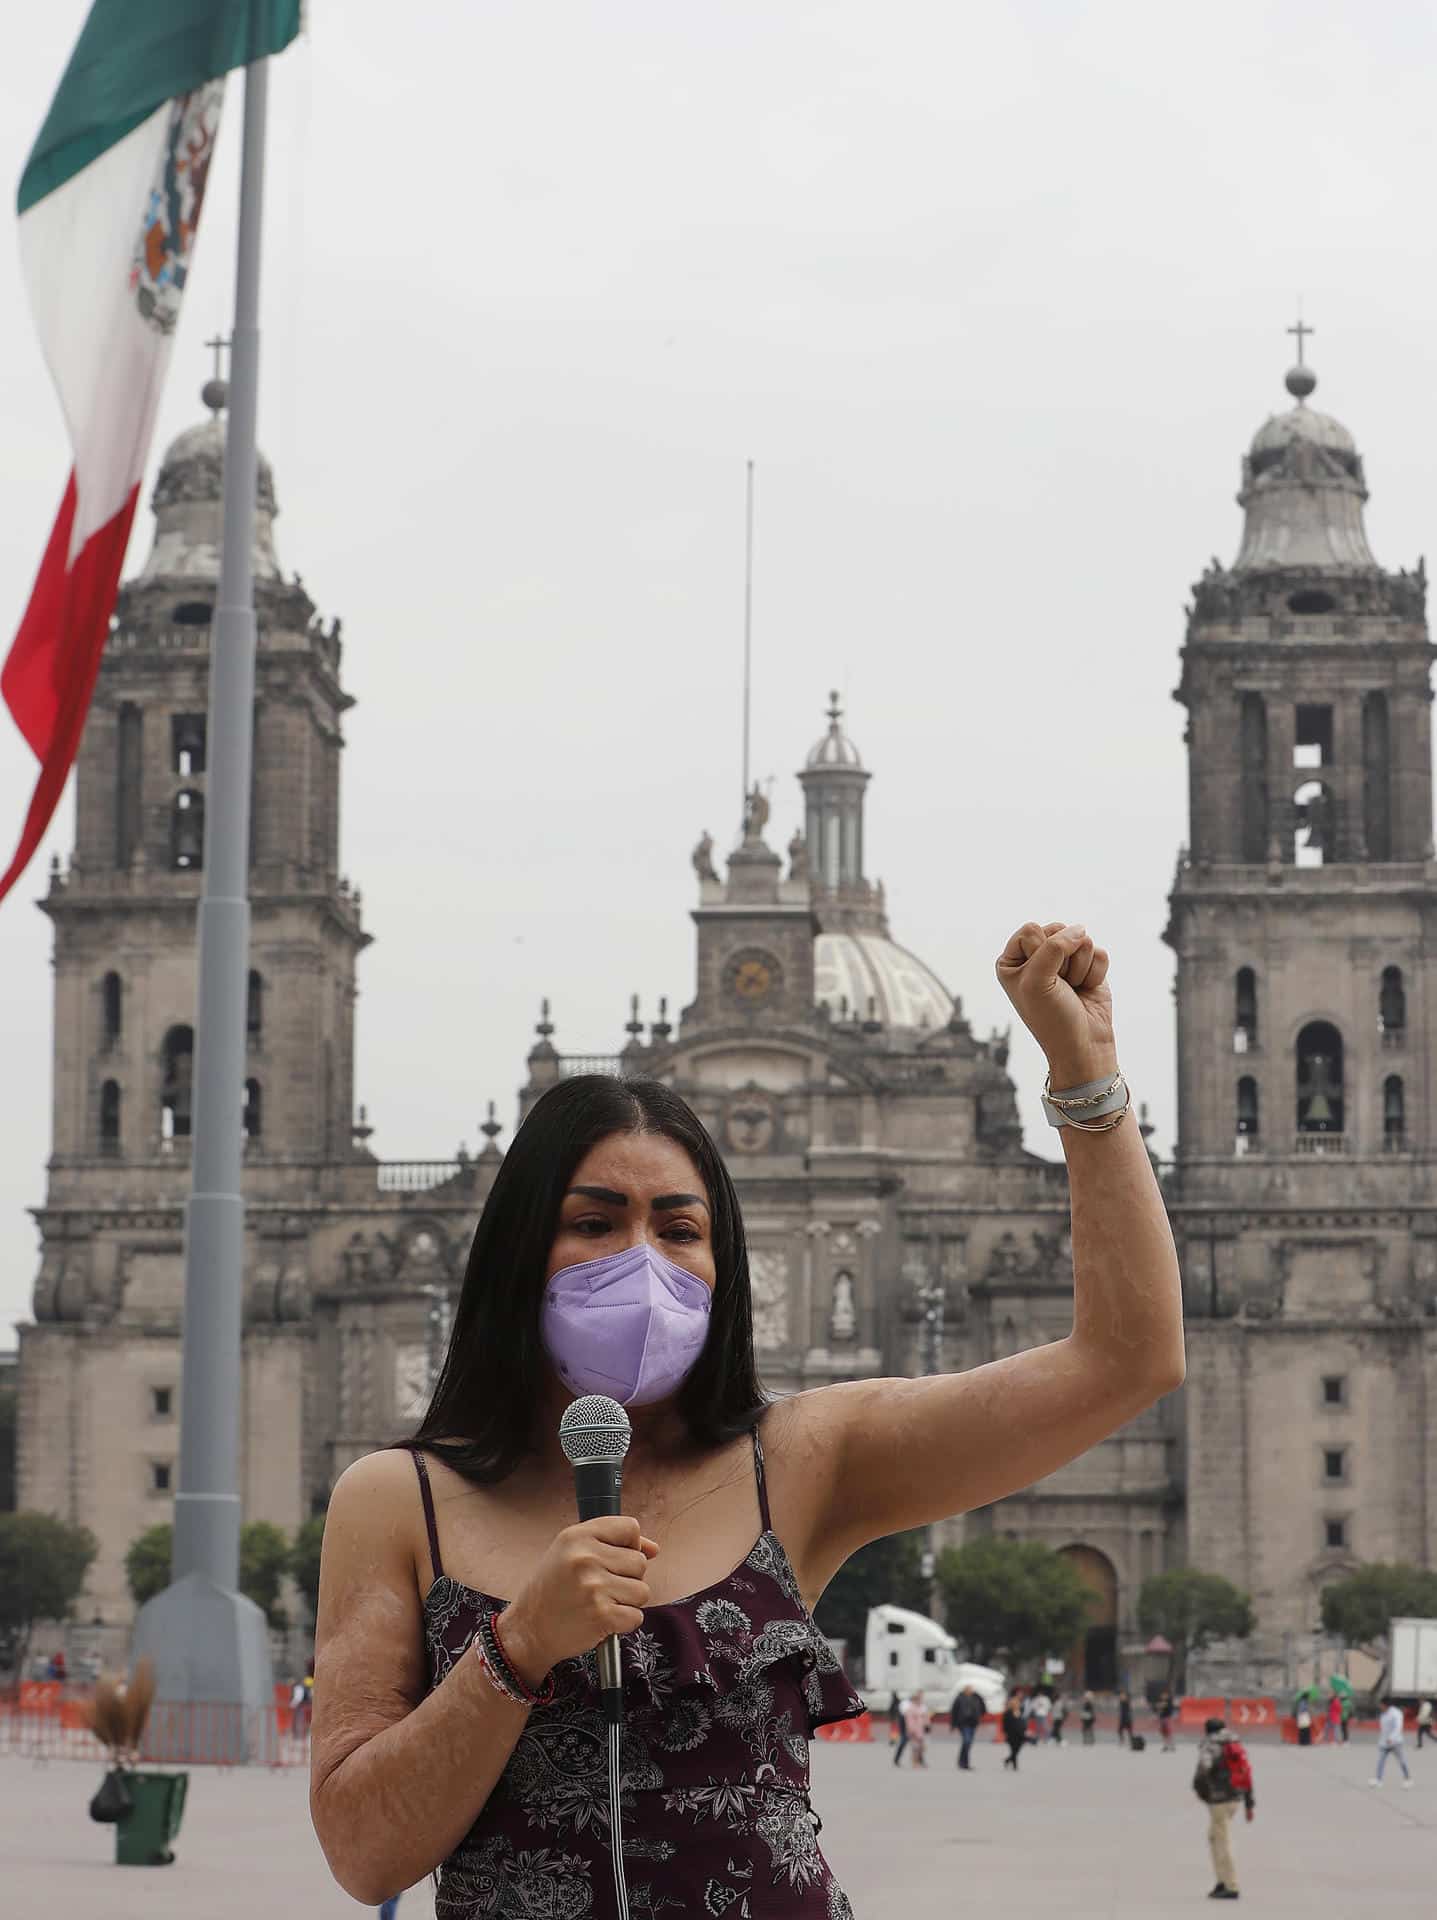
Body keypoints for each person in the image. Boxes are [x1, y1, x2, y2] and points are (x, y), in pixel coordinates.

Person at [309, 922, 1185, 1915]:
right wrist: (515, 1651)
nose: (643, 1259)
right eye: (596, 1223)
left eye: (680, 1228)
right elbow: (363, 1851)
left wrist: (1088, 1074)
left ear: (727, 1271)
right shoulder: (400, 1501)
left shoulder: (803, 1461)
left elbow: (1127, 1360)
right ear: (516, 1252)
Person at [1193, 1715, 1254, 1902]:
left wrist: (1203, 1793)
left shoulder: (1210, 1744)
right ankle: (1221, 1880)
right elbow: (1246, 1771)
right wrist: (1249, 1802)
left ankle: (1231, 1885)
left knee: (1222, 1841)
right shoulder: (1235, 1742)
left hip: (1219, 1799)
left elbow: (1203, 1769)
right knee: (1214, 1838)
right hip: (1235, 1798)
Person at [1372, 1696, 1413, 1788]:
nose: (1380, 1706)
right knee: (1381, 1761)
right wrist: (1381, 1741)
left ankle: (1408, 1779)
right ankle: (1378, 1780)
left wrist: (1391, 1738)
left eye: (1381, 1705)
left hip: (1396, 1742)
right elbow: (1384, 1730)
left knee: (1401, 1761)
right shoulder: (1383, 1714)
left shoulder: (1396, 1713)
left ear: (1385, 1705)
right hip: (1385, 1743)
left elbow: (1398, 1727)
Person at [951, 1683, 984, 1771]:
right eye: (968, 1689)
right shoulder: (959, 1698)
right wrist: (953, 1725)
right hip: (963, 1723)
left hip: (973, 1723)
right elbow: (954, 1711)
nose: (970, 1691)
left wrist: (979, 1719)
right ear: (965, 1690)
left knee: (968, 1743)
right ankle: (964, 1762)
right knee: (966, 1741)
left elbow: (982, 1708)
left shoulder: (976, 1698)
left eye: (971, 1689)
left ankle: (963, 1762)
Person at [902, 1689, 930, 1768]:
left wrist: (927, 1725)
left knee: (921, 1747)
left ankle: (918, 1760)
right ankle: (915, 1762)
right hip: (914, 1730)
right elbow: (909, 1721)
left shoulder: (922, 1707)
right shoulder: (910, 1709)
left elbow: (925, 1717)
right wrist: (911, 1729)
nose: (919, 1701)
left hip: (921, 1729)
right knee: (915, 1747)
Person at [1002, 1692, 1028, 1771]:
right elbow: (1005, 1725)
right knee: (1013, 1750)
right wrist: (1006, 1733)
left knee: (1017, 1750)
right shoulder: (1007, 1713)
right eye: (1014, 1704)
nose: (1016, 1705)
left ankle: (1008, 1760)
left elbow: (1023, 1722)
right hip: (1012, 1734)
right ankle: (1015, 1766)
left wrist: (1025, 1729)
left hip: (1020, 1734)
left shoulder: (1020, 1712)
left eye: (1017, 1703)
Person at [891, 1690, 913, 1769]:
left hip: (909, 1723)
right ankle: (897, 1759)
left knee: (915, 1742)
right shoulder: (905, 1703)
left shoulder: (904, 1703)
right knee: (904, 1740)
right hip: (905, 1723)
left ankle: (918, 1760)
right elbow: (904, 1715)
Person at [1157, 1687, 1177, 1752]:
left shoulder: (1169, 1701)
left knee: (1169, 1732)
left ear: (1167, 1695)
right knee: (1163, 1733)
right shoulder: (1161, 1701)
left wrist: (1164, 1705)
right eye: (1162, 1695)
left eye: (1164, 1695)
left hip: (1167, 1718)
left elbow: (1169, 1708)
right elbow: (1158, 1708)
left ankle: (1172, 1745)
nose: (1163, 1696)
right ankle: (1165, 1745)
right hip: (1162, 1718)